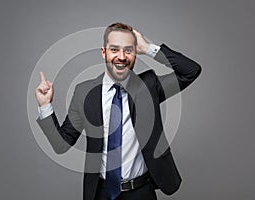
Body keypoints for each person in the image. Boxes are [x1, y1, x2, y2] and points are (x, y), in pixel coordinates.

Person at [35, 22, 201, 200]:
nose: (121, 57)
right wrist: (45, 106)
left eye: (128, 50)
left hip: (141, 192)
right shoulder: (84, 93)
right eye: (114, 49)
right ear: (103, 52)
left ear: (135, 53)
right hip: (101, 193)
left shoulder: (148, 86)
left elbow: (190, 71)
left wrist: (148, 48)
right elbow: (61, 144)